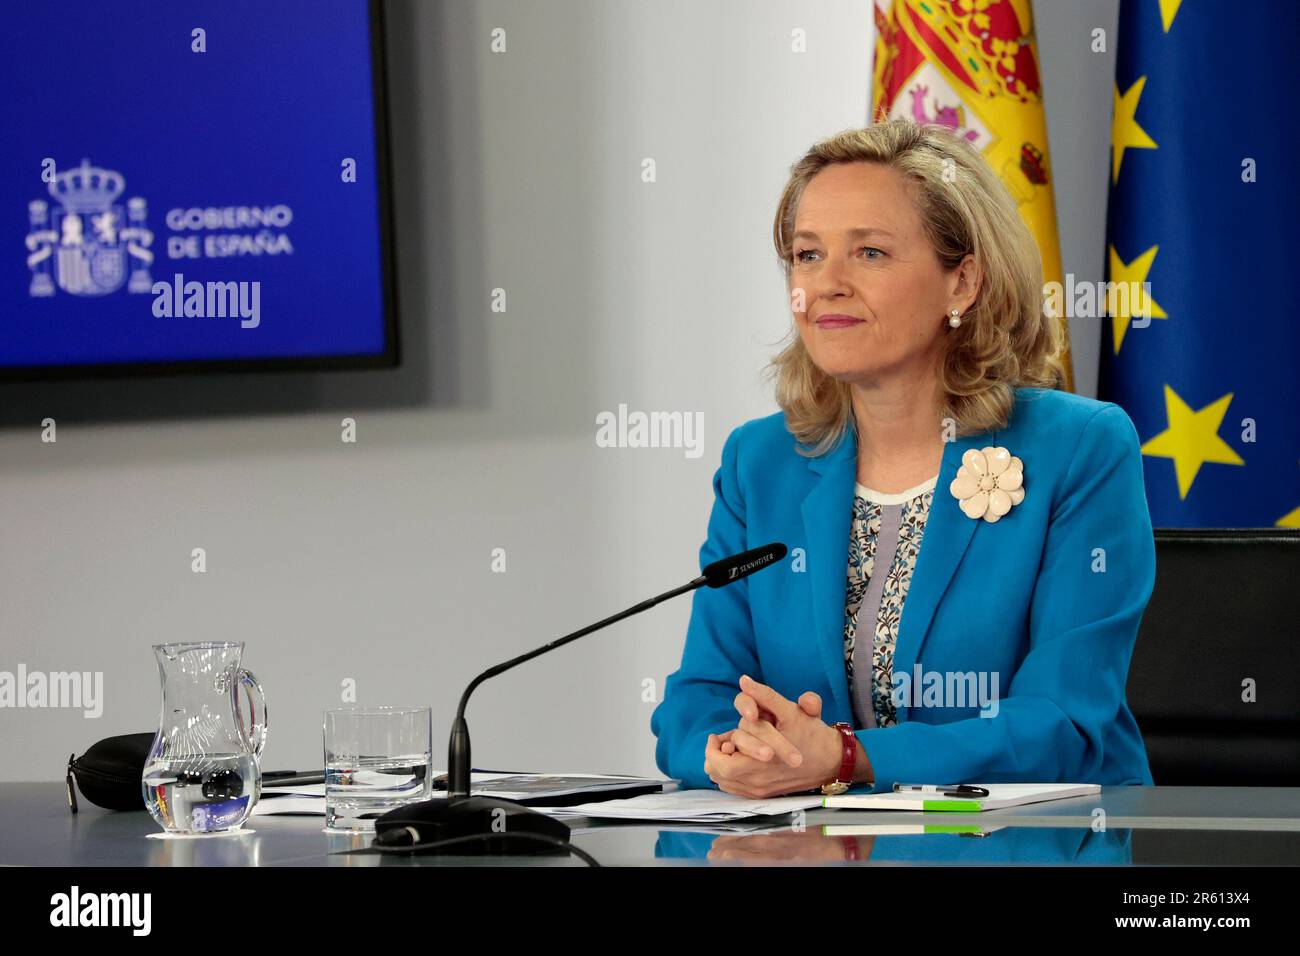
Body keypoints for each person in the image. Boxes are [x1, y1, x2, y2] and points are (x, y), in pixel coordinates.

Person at [650, 120, 1156, 798]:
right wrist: (730, 753)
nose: (823, 285)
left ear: (962, 283)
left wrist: (848, 758)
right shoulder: (760, 462)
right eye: (806, 255)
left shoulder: (1080, 449)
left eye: (870, 254)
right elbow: (695, 701)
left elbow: (1062, 724)